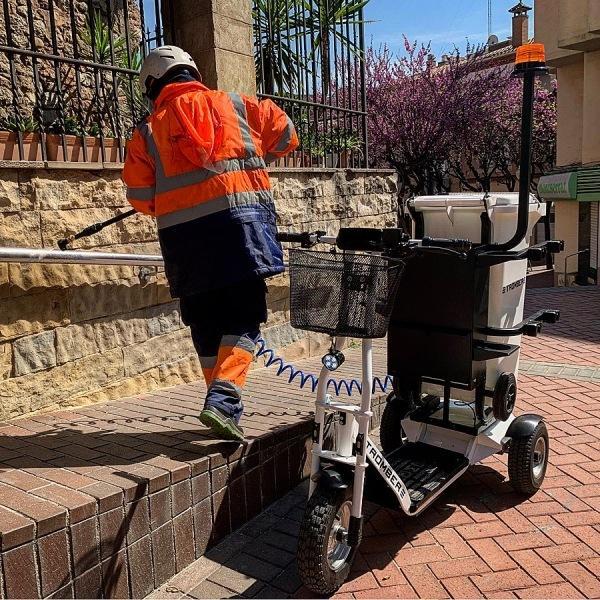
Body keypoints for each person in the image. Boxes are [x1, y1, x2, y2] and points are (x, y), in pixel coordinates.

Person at [123, 46, 298, 442]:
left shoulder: (147, 132)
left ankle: (221, 404)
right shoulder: (237, 104)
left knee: (204, 322)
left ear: (152, 86)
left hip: (185, 242)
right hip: (242, 231)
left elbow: (140, 197)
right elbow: (287, 136)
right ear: (192, 72)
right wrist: (252, 154)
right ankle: (223, 399)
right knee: (243, 318)